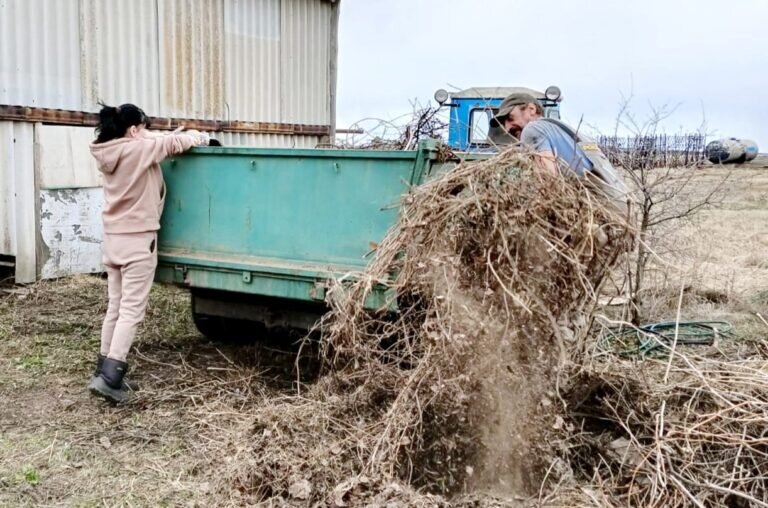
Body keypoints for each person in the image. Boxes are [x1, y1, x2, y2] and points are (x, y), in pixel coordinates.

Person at [88, 103, 209, 403]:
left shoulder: (111, 151)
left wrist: (163, 133)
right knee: (131, 311)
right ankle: (112, 378)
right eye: (143, 127)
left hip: (114, 241)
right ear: (133, 129)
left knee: (115, 307)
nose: (146, 132)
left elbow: (154, 140)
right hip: (138, 243)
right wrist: (200, 137)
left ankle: (103, 367)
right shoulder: (136, 151)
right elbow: (171, 144)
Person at [493, 93, 630, 210]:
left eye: (510, 118)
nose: (507, 128)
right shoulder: (570, 132)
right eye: (503, 124)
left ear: (531, 109)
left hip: (598, 211)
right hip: (621, 208)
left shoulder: (531, 130)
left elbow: (549, 183)